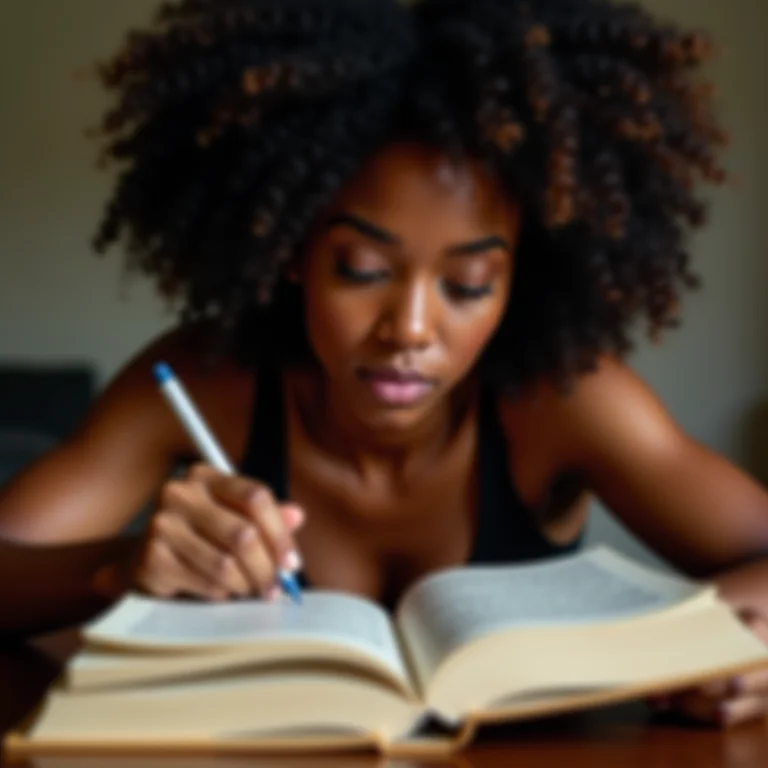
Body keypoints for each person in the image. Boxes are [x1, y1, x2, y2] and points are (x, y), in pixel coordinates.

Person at [2, 0, 768, 727]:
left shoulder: (564, 400)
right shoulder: (208, 379)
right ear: (293, 252)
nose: (408, 330)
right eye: (362, 269)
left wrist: (746, 643)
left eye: (468, 286)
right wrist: (118, 567)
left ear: (517, 279)